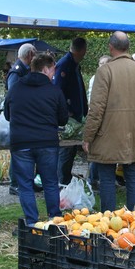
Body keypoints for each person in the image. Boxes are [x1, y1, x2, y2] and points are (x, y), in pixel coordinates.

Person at [83, 31, 135, 212]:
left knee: (106, 178)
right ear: (128, 47)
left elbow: (96, 108)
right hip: (133, 134)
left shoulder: (104, 71)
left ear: (110, 47)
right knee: (132, 175)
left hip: (108, 135)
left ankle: (108, 221)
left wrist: (88, 137)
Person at [4, 53, 68, 225]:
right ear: (45, 69)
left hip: (21, 143)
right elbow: (63, 119)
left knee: (25, 184)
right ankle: (54, 219)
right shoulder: (54, 91)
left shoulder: (16, 88)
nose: (54, 74)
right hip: (47, 142)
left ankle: (32, 222)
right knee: (50, 183)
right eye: (53, 69)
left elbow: (7, 115)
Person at [53, 37, 88, 185]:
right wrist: (66, 112)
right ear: (82, 51)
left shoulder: (73, 64)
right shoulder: (65, 65)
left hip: (76, 115)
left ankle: (64, 179)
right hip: (68, 118)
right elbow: (57, 90)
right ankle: (62, 183)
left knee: (70, 150)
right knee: (66, 150)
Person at [6, 43, 35, 195]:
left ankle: (23, 181)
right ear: (30, 54)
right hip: (20, 120)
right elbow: (13, 96)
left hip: (26, 119)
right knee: (18, 151)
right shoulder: (16, 73)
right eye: (34, 54)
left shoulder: (25, 70)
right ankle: (14, 183)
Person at [87, 54, 111, 189]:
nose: (102, 66)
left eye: (104, 64)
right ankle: (93, 179)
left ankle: (101, 179)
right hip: (97, 118)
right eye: (100, 64)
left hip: (108, 120)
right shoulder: (94, 79)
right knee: (96, 150)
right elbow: (93, 101)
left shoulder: (111, 78)